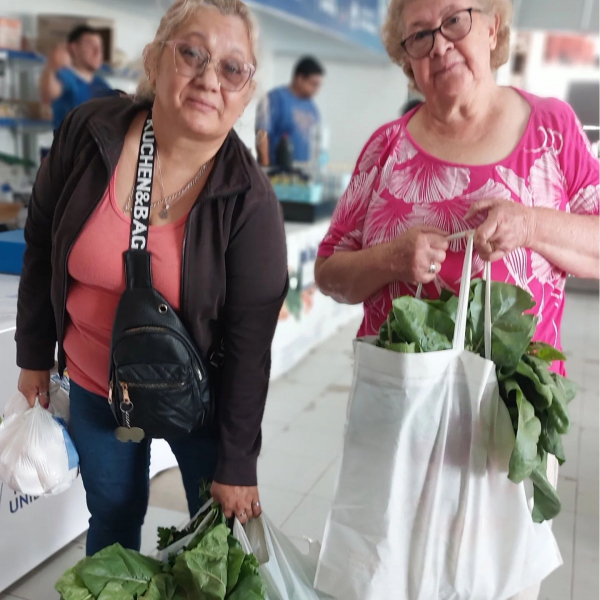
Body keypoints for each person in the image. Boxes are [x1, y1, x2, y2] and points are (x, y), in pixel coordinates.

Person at [315, 0, 599, 598]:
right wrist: (391, 257)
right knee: (385, 578)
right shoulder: (384, 149)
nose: (439, 44)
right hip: (399, 424)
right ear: (406, 57)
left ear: (493, 25)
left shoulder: (553, 129)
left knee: (494, 581)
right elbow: (330, 272)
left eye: (455, 20)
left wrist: (529, 225)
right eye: (419, 35)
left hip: (508, 426)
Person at [17, 0, 288, 556]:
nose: (210, 78)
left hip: (201, 395)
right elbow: (42, 243)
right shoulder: (89, 135)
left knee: (212, 535)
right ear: (155, 59)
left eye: (233, 68)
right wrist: (33, 353)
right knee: (113, 515)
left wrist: (237, 462)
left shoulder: (251, 204)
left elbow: (248, 346)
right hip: (98, 382)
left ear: (246, 93)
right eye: (192, 53)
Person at [39, 25, 114, 130]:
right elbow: (48, 93)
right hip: (69, 145)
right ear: (74, 48)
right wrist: (51, 66)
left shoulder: (101, 84)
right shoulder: (65, 77)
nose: (98, 52)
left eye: (100, 47)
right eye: (91, 46)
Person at [256, 56, 325, 166]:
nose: (316, 90)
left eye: (319, 85)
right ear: (299, 78)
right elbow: (262, 133)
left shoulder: (312, 108)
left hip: (303, 173)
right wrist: (265, 169)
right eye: (313, 84)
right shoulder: (275, 98)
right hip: (278, 172)